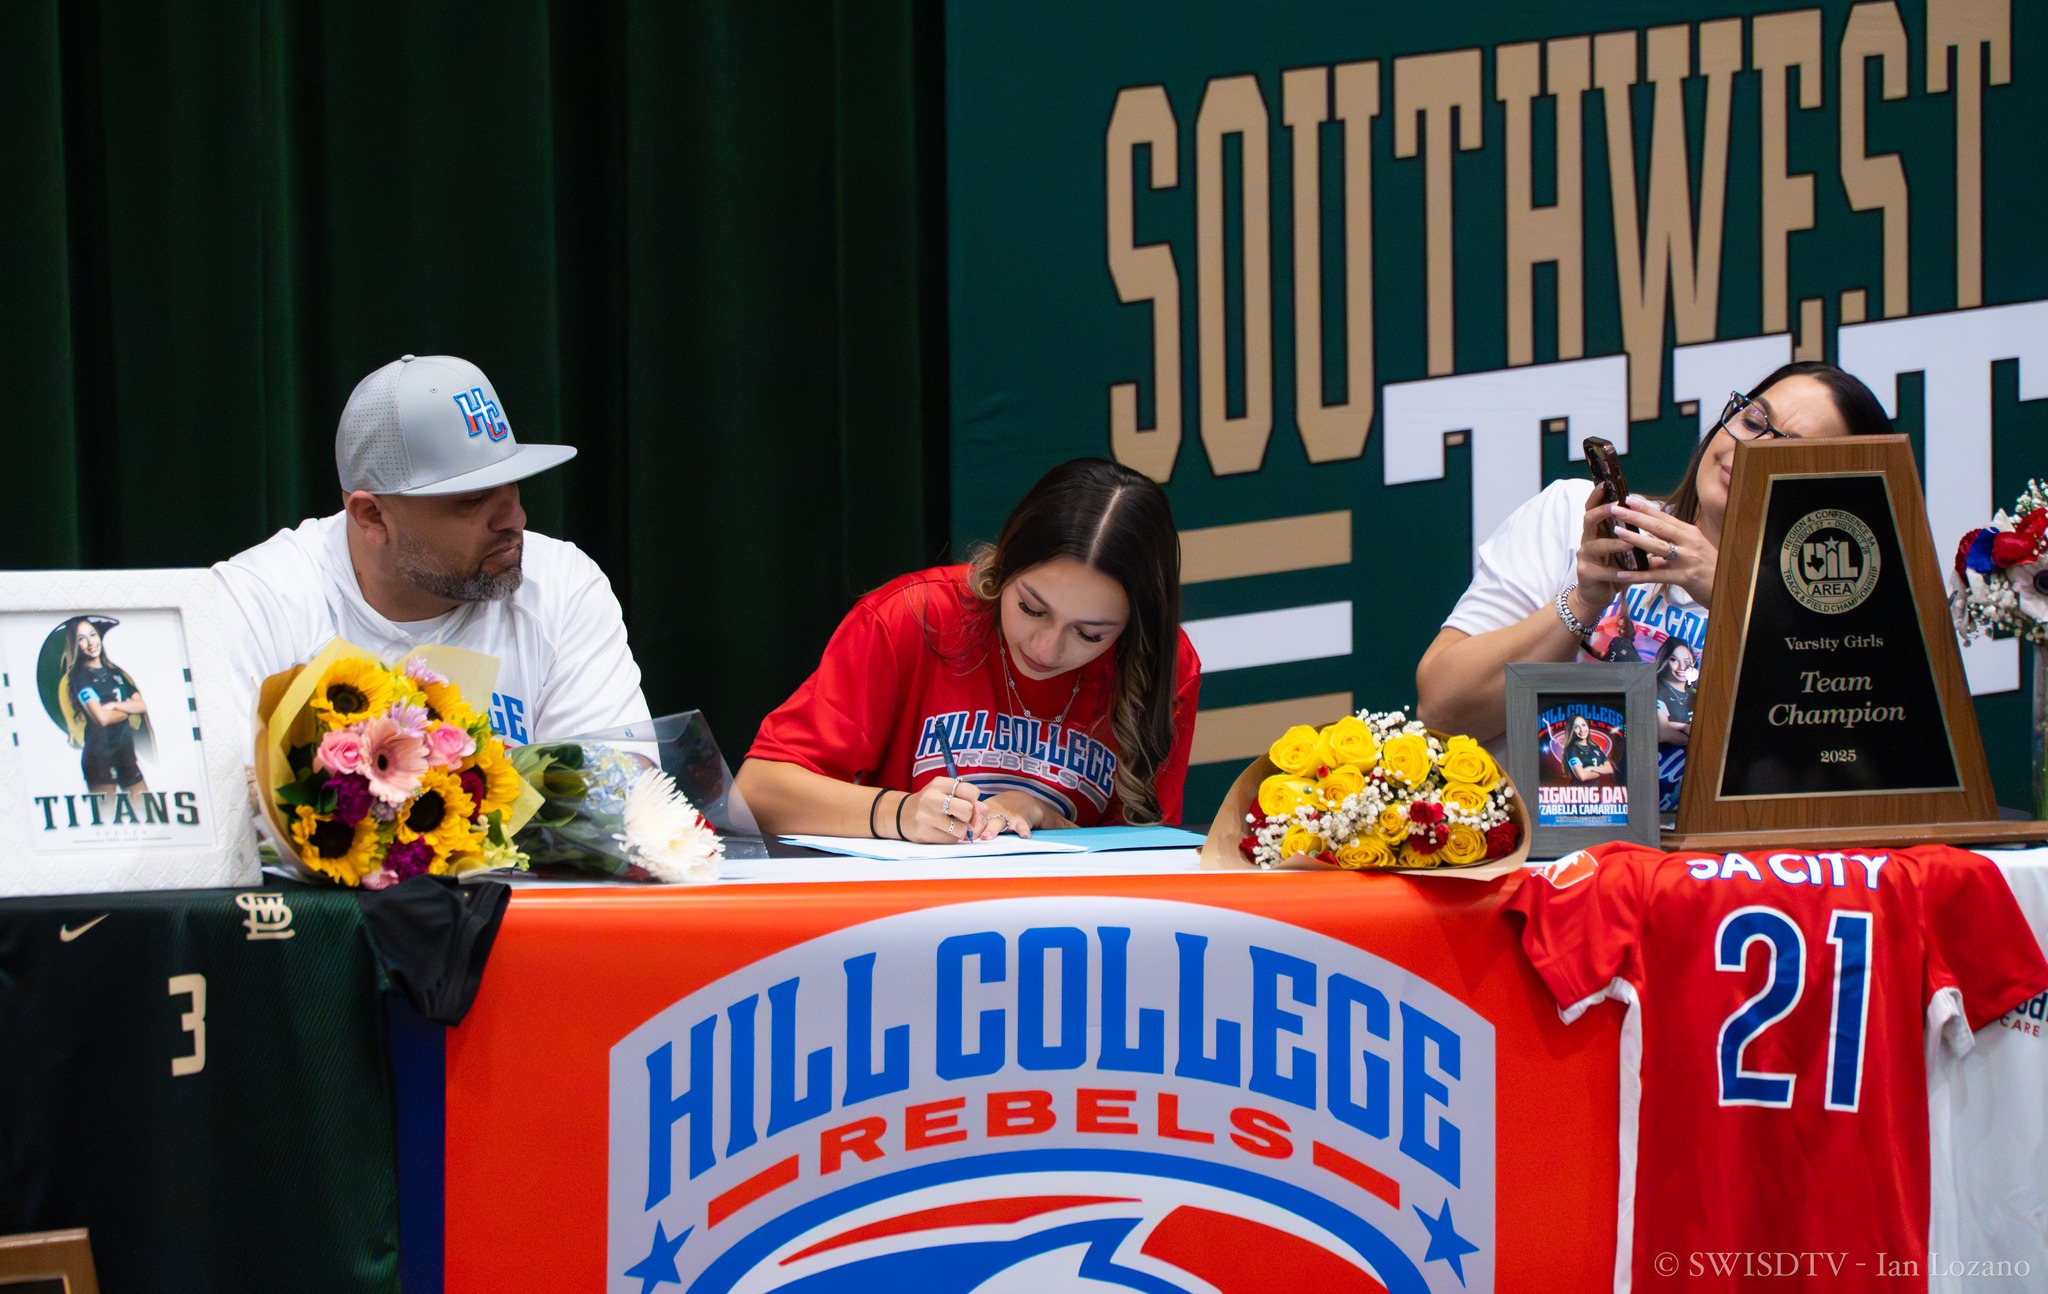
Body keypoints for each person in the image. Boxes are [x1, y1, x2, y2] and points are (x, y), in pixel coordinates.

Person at [1416, 360, 1891, 810]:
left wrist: (1737, 596)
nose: (1749, 446)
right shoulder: (1574, 519)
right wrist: (1582, 602)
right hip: (1551, 874)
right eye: (1752, 420)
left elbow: (1861, 783)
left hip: (1718, 880)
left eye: (1786, 446)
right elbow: (1441, 709)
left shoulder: (1831, 619)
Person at [736, 458, 1202, 842]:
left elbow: (1149, 854)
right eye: (1031, 608)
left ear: (1133, 627)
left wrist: (1043, 815)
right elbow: (755, 793)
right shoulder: (913, 616)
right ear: (1003, 568)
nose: (1046, 647)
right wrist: (899, 813)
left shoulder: (1162, 665)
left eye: (1091, 634)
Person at [213, 354, 649, 745]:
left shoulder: (561, 583)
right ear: (371, 517)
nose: (514, 520)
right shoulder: (256, 603)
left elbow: (614, 802)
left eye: (512, 486)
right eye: (471, 500)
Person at [60, 616, 151, 797]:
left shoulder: (116, 673)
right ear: (75, 645)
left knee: (147, 810)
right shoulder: (80, 677)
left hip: (125, 754)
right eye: (81, 638)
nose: (89, 642)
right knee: (107, 819)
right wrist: (126, 708)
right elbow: (102, 718)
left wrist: (113, 705)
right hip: (99, 758)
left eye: (92, 635)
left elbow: (141, 706)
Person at [1654, 637, 1696, 747]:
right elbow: (1663, 733)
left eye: (1687, 662)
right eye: (1674, 660)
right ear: (1664, 660)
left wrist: (1676, 725)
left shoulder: (1696, 689)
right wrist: (1688, 729)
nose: (1682, 667)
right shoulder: (1656, 688)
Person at [1559, 714, 1613, 784]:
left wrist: (1591, 768)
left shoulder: (1596, 748)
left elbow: (1610, 769)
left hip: (1597, 791)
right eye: (1576, 727)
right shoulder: (1571, 750)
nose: (1582, 730)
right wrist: (1601, 772)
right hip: (1579, 792)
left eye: (1583, 725)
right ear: (1572, 730)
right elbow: (1582, 776)